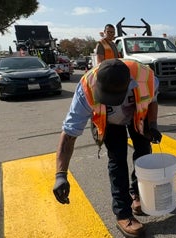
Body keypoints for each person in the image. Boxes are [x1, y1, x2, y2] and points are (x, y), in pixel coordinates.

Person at [52, 58, 162, 237]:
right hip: (110, 122)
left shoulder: (147, 78)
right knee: (117, 160)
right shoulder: (86, 88)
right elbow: (69, 134)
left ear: (130, 84)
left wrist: (153, 124)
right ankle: (123, 213)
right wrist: (60, 175)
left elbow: (152, 100)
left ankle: (137, 195)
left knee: (143, 155)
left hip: (137, 116)